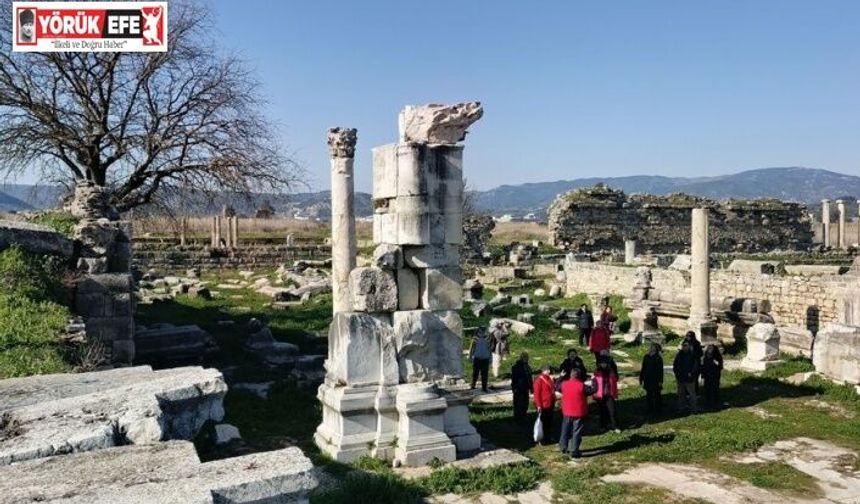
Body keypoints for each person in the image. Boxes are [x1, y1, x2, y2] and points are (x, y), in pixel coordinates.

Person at [559, 368, 595, 458]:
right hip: (579, 412)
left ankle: (563, 446)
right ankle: (574, 451)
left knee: (565, 430)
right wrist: (594, 380)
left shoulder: (564, 384)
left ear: (571, 375)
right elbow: (593, 390)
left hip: (567, 411)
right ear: (579, 376)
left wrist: (561, 377)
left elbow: (557, 386)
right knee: (576, 432)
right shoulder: (582, 386)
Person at [594, 355, 620, 432]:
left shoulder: (611, 371)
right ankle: (603, 425)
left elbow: (614, 383)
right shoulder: (596, 372)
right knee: (602, 411)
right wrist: (595, 394)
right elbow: (594, 384)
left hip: (609, 394)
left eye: (605, 363)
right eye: (602, 363)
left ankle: (614, 426)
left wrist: (615, 394)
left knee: (612, 411)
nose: (603, 364)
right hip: (600, 395)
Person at [532, 365, 556, 445]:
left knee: (548, 422)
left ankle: (547, 437)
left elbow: (552, 388)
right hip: (543, 405)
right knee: (543, 423)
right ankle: (542, 439)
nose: (549, 371)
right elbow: (537, 394)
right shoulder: (539, 380)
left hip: (550, 404)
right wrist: (539, 405)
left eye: (549, 370)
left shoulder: (549, 378)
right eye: (548, 370)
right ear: (543, 371)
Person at [673, 340, 699, 413]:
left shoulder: (693, 355)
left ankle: (694, 409)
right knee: (681, 394)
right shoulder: (679, 355)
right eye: (683, 345)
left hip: (689, 378)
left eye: (686, 345)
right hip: (680, 378)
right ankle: (681, 408)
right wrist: (676, 373)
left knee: (692, 394)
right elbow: (675, 365)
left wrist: (691, 373)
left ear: (689, 346)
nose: (684, 347)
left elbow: (696, 366)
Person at [639, 343, 664, 416]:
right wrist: (641, 378)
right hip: (647, 379)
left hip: (655, 379)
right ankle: (650, 409)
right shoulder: (646, 356)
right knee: (649, 395)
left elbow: (660, 370)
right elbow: (643, 367)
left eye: (653, 347)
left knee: (657, 395)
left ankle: (658, 410)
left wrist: (660, 381)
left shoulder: (658, 358)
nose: (651, 348)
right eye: (651, 346)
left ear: (656, 349)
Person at [510, 352, 533, 426]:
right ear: (522, 358)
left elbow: (530, 378)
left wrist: (531, 387)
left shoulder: (528, 367)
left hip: (525, 388)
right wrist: (514, 388)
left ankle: (523, 416)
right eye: (525, 358)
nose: (527, 359)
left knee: (525, 403)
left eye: (527, 358)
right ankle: (517, 418)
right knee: (518, 404)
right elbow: (514, 379)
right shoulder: (516, 367)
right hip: (519, 388)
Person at [469, 327, 492, 392]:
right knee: (475, 373)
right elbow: (471, 348)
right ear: (478, 332)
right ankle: (473, 385)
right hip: (477, 358)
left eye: (483, 332)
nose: (481, 334)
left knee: (485, 374)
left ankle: (484, 387)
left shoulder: (488, 339)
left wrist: (490, 358)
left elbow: (490, 349)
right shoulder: (475, 339)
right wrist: (470, 357)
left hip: (485, 358)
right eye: (480, 332)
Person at [701, 344, 724, 409]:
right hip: (707, 376)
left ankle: (716, 403)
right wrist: (702, 374)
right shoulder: (705, 357)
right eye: (709, 348)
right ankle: (708, 402)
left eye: (711, 348)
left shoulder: (717, 356)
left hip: (714, 376)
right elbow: (703, 366)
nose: (709, 350)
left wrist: (714, 360)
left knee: (715, 390)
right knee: (707, 389)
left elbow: (720, 366)